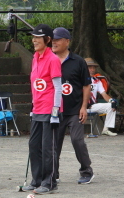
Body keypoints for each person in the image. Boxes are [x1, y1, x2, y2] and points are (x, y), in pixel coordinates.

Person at [22, 24, 62, 194]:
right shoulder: (35, 58)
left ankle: (49, 182)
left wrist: (55, 111)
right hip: (37, 109)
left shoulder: (52, 59)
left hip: (49, 110)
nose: (34, 40)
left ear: (47, 39)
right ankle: (36, 180)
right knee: (34, 145)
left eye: (38, 37)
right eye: (33, 37)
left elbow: (58, 88)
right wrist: (32, 107)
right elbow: (35, 86)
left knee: (47, 148)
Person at [52, 27, 94, 184]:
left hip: (75, 110)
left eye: (57, 39)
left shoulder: (78, 61)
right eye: (52, 40)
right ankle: (52, 173)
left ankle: (86, 171)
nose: (54, 42)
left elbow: (86, 85)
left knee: (77, 140)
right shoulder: (49, 60)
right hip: (56, 110)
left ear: (67, 41)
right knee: (54, 143)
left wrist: (84, 107)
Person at [85, 57, 117, 136]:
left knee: (111, 106)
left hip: (92, 106)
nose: (92, 70)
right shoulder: (77, 79)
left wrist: (112, 101)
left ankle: (105, 129)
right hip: (78, 107)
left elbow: (104, 94)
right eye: (90, 67)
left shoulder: (97, 81)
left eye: (93, 68)